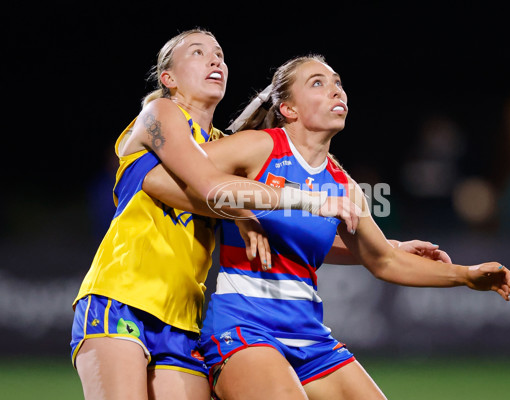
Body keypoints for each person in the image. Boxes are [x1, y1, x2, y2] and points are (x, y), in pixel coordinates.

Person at [148, 54, 510, 399]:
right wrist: (242, 214)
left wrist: (465, 276)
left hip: (308, 333)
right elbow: (159, 181)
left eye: (337, 83)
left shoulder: (344, 185)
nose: (336, 89)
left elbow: (384, 261)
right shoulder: (260, 148)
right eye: (318, 83)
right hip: (244, 326)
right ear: (288, 109)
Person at [69, 29, 363, 400]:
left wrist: (389, 250)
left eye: (220, 55)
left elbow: (292, 235)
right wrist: (308, 200)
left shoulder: (225, 147)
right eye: (197, 53)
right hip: (120, 298)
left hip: (185, 319)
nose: (215, 60)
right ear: (168, 79)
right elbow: (208, 186)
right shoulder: (159, 113)